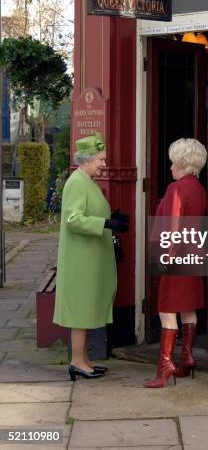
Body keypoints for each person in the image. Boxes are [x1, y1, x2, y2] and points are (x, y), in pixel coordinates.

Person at [53, 132, 129, 381]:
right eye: (101, 160)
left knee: (86, 310)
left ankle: (84, 360)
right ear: (86, 160)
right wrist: (107, 223)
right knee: (80, 311)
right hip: (80, 261)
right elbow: (73, 220)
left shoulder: (87, 181)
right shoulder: (77, 182)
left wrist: (112, 219)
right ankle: (77, 361)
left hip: (89, 258)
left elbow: (89, 212)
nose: (104, 164)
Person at [145, 138, 207, 388]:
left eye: (172, 162)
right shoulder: (198, 188)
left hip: (176, 256)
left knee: (166, 310)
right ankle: (187, 356)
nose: (170, 167)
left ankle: (165, 367)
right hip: (194, 255)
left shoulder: (176, 189)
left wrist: (165, 256)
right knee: (188, 307)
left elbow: (173, 225)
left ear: (181, 162)